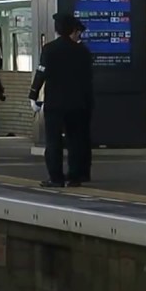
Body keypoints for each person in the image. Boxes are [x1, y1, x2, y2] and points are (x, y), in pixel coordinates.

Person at [29, 14, 94, 187]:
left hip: (55, 103)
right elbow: (88, 80)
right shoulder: (83, 52)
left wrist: (33, 95)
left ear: (57, 29)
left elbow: (41, 73)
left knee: (53, 142)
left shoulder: (50, 49)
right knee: (76, 141)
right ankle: (74, 177)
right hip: (78, 104)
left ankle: (56, 178)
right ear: (73, 30)